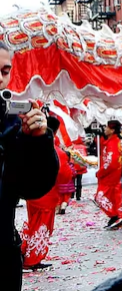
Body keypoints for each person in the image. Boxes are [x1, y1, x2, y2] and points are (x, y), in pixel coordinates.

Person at [0, 41, 59, 291]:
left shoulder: (12, 121)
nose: (0, 78)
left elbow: (32, 186)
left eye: (4, 70)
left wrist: (37, 140)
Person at [20, 116, 72, 272]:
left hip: (31, 194)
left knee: (32, 224)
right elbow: (65, 174)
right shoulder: (56, 151)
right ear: (55, 131)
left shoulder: (29, 145)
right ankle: (31, 260)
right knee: (42, 228)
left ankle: (23, 252)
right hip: (47, 196)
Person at [95, 121, 122, 230]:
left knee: (99, 197)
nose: (104, 129)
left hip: (109, 176)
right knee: (114, 199)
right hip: (113, 175)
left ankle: (115, 216)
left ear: (112, 130)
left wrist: (100, 172)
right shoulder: (113, 141)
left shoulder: (113, 143)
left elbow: (111, 162)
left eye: (106, 127)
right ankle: (118, 218)